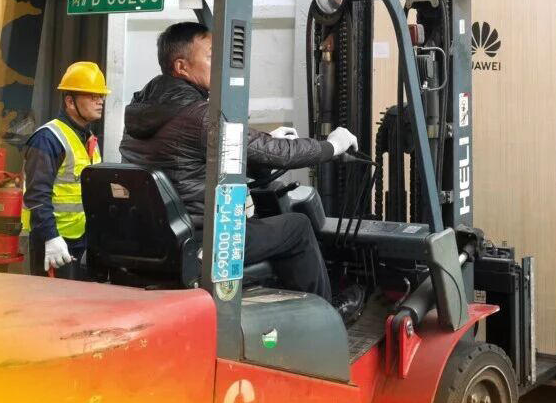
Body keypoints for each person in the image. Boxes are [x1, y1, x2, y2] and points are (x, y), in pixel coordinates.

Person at [120, 21, 355, 301]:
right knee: (297, 227)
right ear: (181, 67)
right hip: (204, 239)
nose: (221, 65)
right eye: (211, 56)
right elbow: (279, 153)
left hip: (158, 237)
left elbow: (191, 154)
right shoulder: (199, 116)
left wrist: (264, 140)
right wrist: (332, 145)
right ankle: (323, 314)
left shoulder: (142, 112)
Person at [22, 61, 108, 278]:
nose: (100, 101)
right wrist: (50, 237)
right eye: (93, 96)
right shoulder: (48, 139)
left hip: (80, 240)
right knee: (51, 299)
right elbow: (36, 195)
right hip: (54, 243)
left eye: (101, 95)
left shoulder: (88, 138)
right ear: (70, 101)